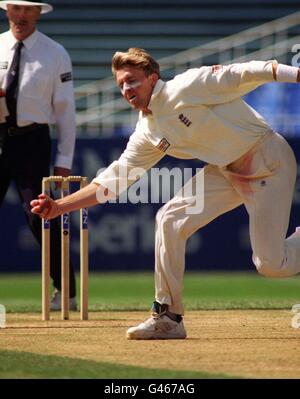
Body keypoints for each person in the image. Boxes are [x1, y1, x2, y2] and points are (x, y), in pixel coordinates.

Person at [31, 47, 300, 339]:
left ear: (152, 78)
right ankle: (168, 316)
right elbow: (112, 181)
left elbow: (248, 71)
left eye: (132, 80)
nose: (126, 88)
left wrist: (296, 74)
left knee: (271, 265)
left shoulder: (187, 86)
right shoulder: (146, 132)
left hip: (268, 160)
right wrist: (59, 207)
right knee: (169, 219)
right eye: (121, 84)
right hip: (225, 170)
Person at [0, 0, 77, 310]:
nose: (21, 16)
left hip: (32, 142)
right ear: (7, 11)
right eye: (16, 8)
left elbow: (65, 110)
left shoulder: (54, 52)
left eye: (28, 9)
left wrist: (64, 160)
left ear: (38, 13)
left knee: (40, 215)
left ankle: (67, 292)